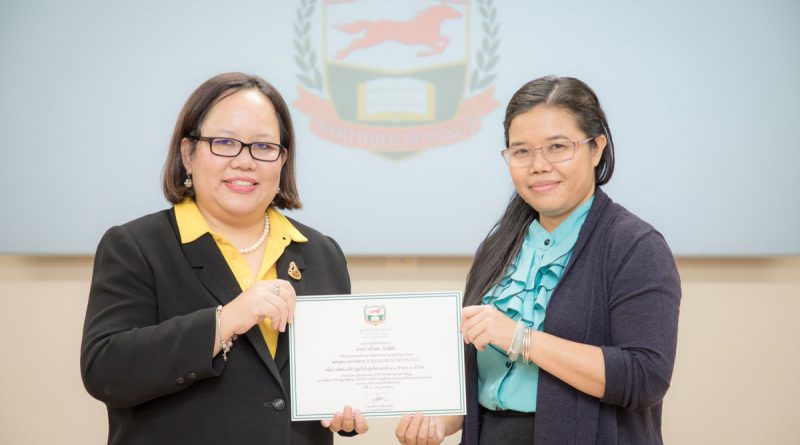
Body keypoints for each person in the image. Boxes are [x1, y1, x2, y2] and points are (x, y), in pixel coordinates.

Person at [80, 72, 368, 444]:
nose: (245, 161)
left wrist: (349, 409)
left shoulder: (321, 251)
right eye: (225, 143)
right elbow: (106, 370)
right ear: (188, 153)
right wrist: (226, 320)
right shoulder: (137, 245)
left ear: (282, 159)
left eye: (263, 146)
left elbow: (332, 377)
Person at [395, 76, 681, 444]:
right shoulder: (498, 245)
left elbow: (645, 377)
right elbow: (484, 379)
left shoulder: (635, 246)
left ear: (596, 149)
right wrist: (441, 422)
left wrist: (521, 339)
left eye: (557, 147)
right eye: (521, 151)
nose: (538, 165)